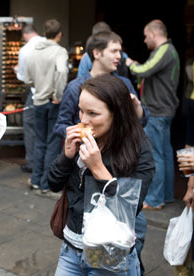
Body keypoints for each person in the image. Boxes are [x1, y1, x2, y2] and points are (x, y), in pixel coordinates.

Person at [53, 30, 150, 273]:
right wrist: (66, 156)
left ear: (116, 114)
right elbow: (53, 183)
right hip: (71, 248)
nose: (83, 120)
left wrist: (98, 168)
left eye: (93, 114)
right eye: (80, 111)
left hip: (108, 251)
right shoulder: (79, 141)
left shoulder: (138, 147)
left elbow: (130, 208)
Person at [126, 19, 180, 210]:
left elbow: (145, 70)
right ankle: (166, 195)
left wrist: (130, 63)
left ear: (154, 34)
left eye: (146, 35)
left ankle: (155, 199)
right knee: (164, 154)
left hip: (157, 111)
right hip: (165, 110)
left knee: (156, 155)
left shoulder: (164, 50)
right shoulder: (169, 51)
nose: (144, 40)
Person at [25, 19, 68, 193]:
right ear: (59, 34)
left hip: (38, 101)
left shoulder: (34, 51)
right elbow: (62, 71)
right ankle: (45, 183)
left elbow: (27, 79)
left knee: (39, 141)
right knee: (53, 142)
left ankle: (35, 179)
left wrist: (38, 85)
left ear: (45, 32)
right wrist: (58, 94)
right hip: (52, 101)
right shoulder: (60, 51)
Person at [14, 24, 46, 173]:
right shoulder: (48, 44)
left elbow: (23, 77)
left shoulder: (25, 50)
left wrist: (16, 70)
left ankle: (32, 163)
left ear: (24, 35)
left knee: (30, 126)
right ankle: (44, 163)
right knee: (45, 128)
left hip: (34, 92)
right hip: (51, 94)